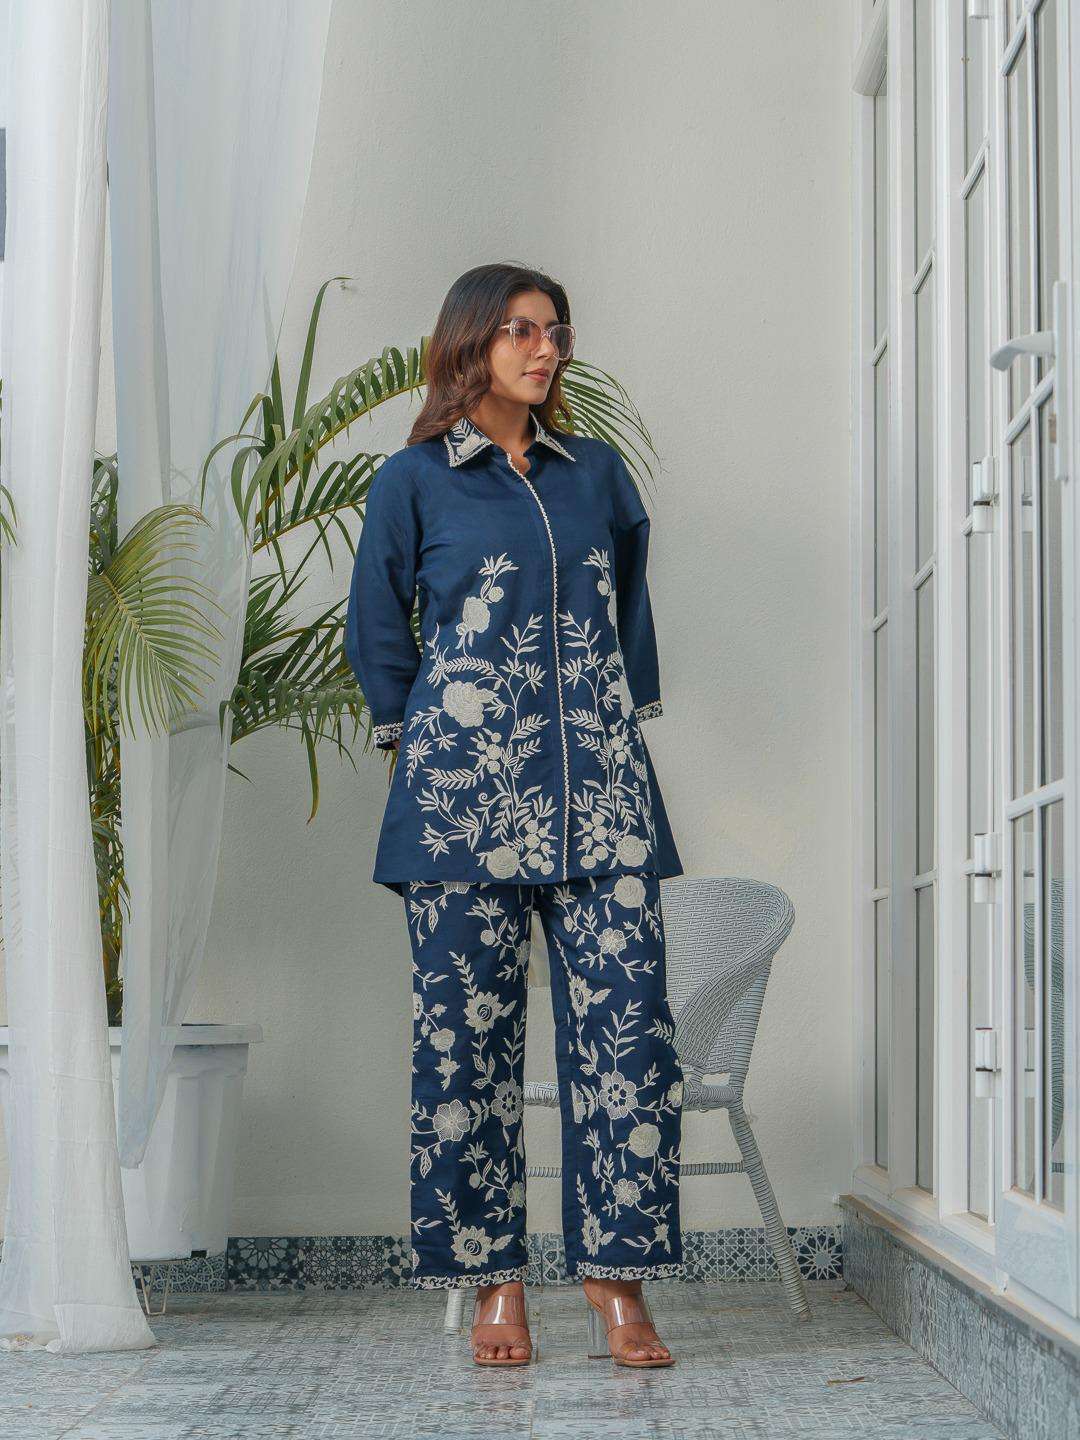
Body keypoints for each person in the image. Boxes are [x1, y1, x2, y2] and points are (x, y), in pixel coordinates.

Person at [345, 262, 685, 1368]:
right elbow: (377, 625)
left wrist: (616, 712)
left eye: (556, 332)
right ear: (471, 344)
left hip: (603, 798)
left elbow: (626, 601)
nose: (546, 349)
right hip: (462, 807)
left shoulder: (596, 474)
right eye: (523, 331)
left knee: (629, 1043)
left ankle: (617, 1285)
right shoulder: (413, 480)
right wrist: (413, 747)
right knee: (466, 1053)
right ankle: (496, 1284)